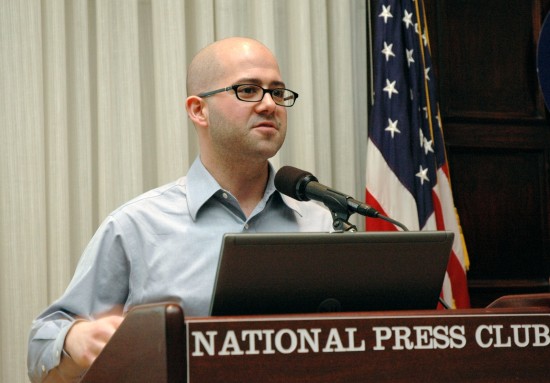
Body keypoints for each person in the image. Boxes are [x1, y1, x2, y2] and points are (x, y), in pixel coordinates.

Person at [27, 37, 333, 382]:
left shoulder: (319, 222)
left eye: (277, 92)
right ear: (198, 110)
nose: (268, 105)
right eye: (248, 90)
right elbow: (41, 348)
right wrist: (75, 339)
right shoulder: (137, 226)